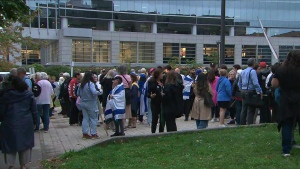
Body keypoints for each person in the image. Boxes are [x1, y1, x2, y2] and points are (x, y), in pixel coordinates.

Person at [0, 76, 37, 169]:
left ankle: (10, 165)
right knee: (25, 143)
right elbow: (34, 110)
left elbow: (1, 111)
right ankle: (23, 165)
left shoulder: (6, 96)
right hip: (26, 122)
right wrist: (36, 121)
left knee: (9, 144)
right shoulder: (29, 95)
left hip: (9, 122)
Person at [271, 50, 300, 157]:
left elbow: (274, 84)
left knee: (287, 125)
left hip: (287, 99)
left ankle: (286, 150)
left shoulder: (282, 70)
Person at [77, 71, 102, 139]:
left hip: (83, 102)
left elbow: (78, 93)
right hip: (91, 102)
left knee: (85, 118)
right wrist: (100, 92)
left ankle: (85, 133)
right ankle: (93, 133)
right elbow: (94, 92)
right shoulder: (90, 84)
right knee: (93, 118)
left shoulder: (81, 84)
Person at [238, 58, 263, 125]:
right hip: (250, 91)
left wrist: (241, 89)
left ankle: (242, 124)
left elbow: (239, 82)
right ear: (253, 63)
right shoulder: (252, 71)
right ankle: (249, 124)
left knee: (243, 109)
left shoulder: (243, 71)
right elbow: (255, 83)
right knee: (251, 109)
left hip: (243, 90)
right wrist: (260, 91)